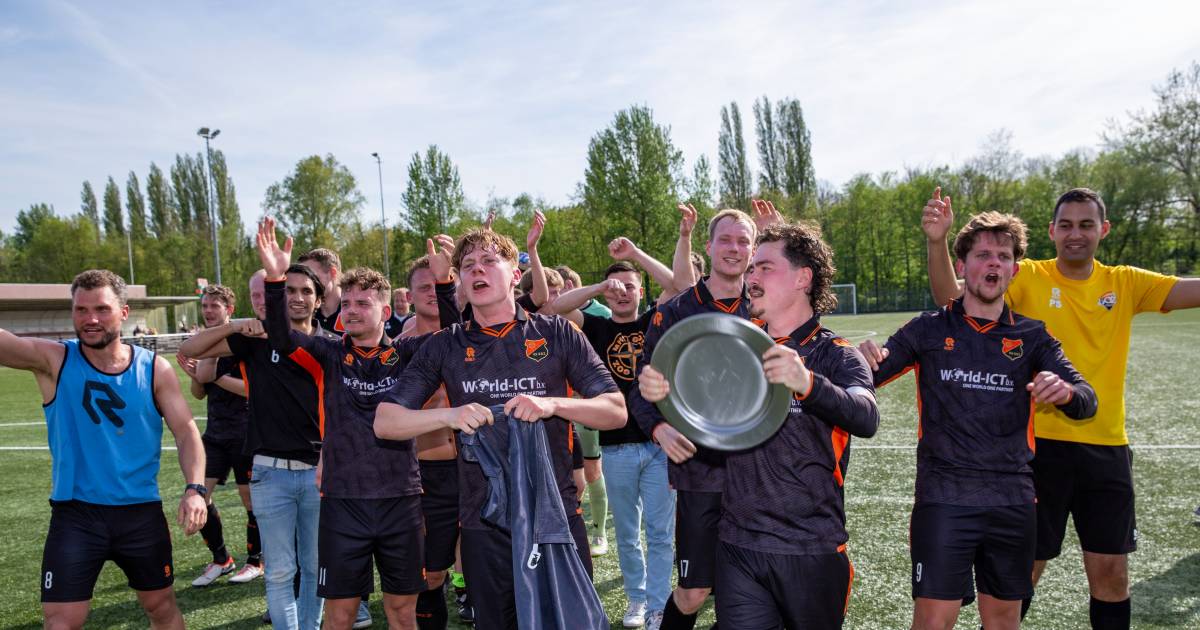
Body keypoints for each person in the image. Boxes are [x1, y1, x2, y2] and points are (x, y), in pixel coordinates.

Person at [923, 188, 1200, 629]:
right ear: (1052, 231)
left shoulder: (1125, 282)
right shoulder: (1028, 275)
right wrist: (937, 243)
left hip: (1106, 449)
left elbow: (1193, 290)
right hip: (1036, 453)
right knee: (1019, 577)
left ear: (1103, 230)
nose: (1076, 234)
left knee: (1111, 577)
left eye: (1086, 224)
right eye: (1066, 225)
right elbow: (949, 302)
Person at [375, 227, 627, 630]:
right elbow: (386, 422)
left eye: (489, 261)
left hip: (556, 516)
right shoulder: (444, 344)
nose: (478, 270)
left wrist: (552, 404)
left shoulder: (555, 332)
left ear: (514, 274)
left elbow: (615, 410)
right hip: (483, 523)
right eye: (468, 265)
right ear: (459, 280)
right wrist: (449, 416)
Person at [643, 222, 880, 629]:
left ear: (803, 278)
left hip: (812, 548)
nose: (751, 277)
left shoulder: (836, 354)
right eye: (752, 268)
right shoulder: (734, 350)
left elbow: (865, 416)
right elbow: (708, 432)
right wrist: (665, 392)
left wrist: (806, 383)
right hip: (740, 547)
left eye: (765, 268)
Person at [867, 211, 1098, 630]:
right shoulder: (928, 330)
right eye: (983, 255)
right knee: (934, 621)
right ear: (962, 266)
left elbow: (1087, 399)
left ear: (1014, 269)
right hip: (945, 497)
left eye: (1004, 256)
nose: (994, 263)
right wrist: (860, 356)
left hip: (1011, 501)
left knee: (1004, 621)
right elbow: (867, 376)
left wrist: (1065, 392)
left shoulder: (1033, 337)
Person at [254, 218, 458, 630]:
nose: (351, 311)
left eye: (362, 304)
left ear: (385, 311)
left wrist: (445, 283)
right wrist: (276, 280)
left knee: (402, 610)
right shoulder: (328, 353)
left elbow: (456, 339)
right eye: (345, 304)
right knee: (340, 613)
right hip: (343, 504)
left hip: (401, 501)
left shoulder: (408, 353)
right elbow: (280, 338)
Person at [0, 269, 207, 630]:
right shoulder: (55, 361)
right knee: (61, 620)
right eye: (81, 310)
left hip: (140, 513)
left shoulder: (153, 369)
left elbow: (187, 433)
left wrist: (195, 488)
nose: (90, 319)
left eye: (101, 309)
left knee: (161, 607)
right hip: (76, 515)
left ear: (124, 312)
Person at [631, 204, 776, 630]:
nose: (734, 249)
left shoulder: (769, 307)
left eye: (744, 241)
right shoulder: (677, 310)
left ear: (754, 250)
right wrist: (658, 427)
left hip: (762, 472)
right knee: (694, 592)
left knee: (753, 586)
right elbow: (643, 382)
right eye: (726, 240)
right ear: (709, 246)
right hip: (701, 474)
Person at [180, 263, 337, 630]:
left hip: (319, 472)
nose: (297, 298)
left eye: (306, 292)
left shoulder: (330, 344)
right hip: (269, 472)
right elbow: (190, 347)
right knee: (280, 571)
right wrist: (236, 325)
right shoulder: (254, 337)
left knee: (314, 567)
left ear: (318, 301)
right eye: (289, 291)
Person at [177, 284, 264, 586]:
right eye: (205, 306)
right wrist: (197, 378)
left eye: (215, 306)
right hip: (214, 433)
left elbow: (253, 389)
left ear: (229, 309)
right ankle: (221, 559)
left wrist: (214, 377)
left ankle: (256, 561)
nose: (209, 311)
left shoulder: (240, 339)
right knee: (200, 495)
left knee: (250, 500)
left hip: (245, 431)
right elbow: (200, 393)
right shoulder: (205, 343)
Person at [300, 248, 345, 333]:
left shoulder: (357, 310)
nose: (306, 284)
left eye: (312, 276)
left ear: (333, 273)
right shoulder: (304, 312)